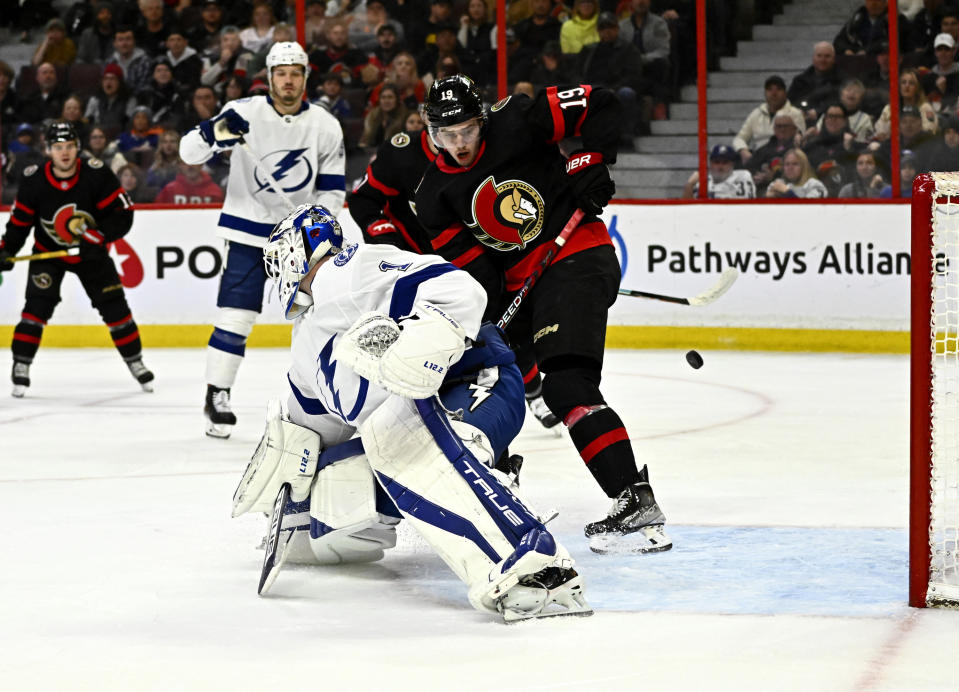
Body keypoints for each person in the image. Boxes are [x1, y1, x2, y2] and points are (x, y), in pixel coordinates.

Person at [230, 203, 590, 620]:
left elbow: (462, 292)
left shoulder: (346, 270)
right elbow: (307, 431)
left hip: (474, 383)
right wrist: (295, 503)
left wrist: (417, 347)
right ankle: (489, 489)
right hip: (414, 415)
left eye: (280, 257)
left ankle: (537, 567)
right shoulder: (306, 340)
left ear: (300, 247)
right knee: (344, 483)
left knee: (420, 450)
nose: (277, 272)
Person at [413, 75, 672, 553]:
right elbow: (478, 275)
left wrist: (589, 158)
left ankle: (633, 502)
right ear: (431, 133)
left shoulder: (518, 119)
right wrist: (489, 324)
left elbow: (603, 100)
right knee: (492, 376)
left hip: (575, 254)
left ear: (483, 118)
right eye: (448, 135)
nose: (460, 144)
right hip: (526, 290)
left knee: (566, 383)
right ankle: (499, 485)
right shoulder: (432, 196)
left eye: (467, 130)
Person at [179, 41, 346, 439]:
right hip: (247, 231)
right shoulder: (243, 112)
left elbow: (332, 189)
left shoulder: (325, 124)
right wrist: (213, 131)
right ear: (269, 77)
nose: (288, 81)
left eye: (295, 73)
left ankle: (320, 401)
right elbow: (189, 153)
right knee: (236, 317)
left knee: (314, 321)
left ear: (305, 78)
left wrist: (316, 225)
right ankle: (216, 395)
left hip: (302, 241)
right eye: (281, 73)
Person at [0, 121, 154, 397]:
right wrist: (5, 250)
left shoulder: (96, 174)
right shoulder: (34, 180)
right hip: (49, 254)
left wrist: (100, 236)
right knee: (35, 310)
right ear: (48, 150)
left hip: (90, 254)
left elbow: (123, 214)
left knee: (116, 310)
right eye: (58, 147)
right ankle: (21, 365)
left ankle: (135, 361)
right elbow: (20, 222)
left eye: (69, 146)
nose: (65, 153)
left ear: (78, 147)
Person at [732, 75, 805, 166]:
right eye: (770, 89)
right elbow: (739, 138)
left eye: (778, 89)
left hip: (782, 156)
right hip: (758, 156)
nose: (774, 93)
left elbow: (801, 138)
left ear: (785, 93)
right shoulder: (756, 113)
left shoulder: (795, 113)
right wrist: (743, 150)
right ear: (765, 93)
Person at [787, 42, 841, 119]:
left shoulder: (842, 81)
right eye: (819, 56)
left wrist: (818, 111)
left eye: (827, 56)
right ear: (813, 58)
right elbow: (789, 102)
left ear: (834, 59)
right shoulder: (799, 81)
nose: (823, 60)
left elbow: (841, 102)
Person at [682, 144, 756, 199]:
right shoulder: (703, 182)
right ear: (710, 164)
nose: (720, 166)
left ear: (732, 165)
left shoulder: (743, 176)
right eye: (716, 162)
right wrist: (690, 185)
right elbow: (687, 210)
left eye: (725, 162)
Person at [154, 159, 224, 204]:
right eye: (186, 162)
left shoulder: (214, 192)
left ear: (201, 164)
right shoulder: (169, 190)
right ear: (180, 165)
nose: (190, 166)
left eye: (195, 162)